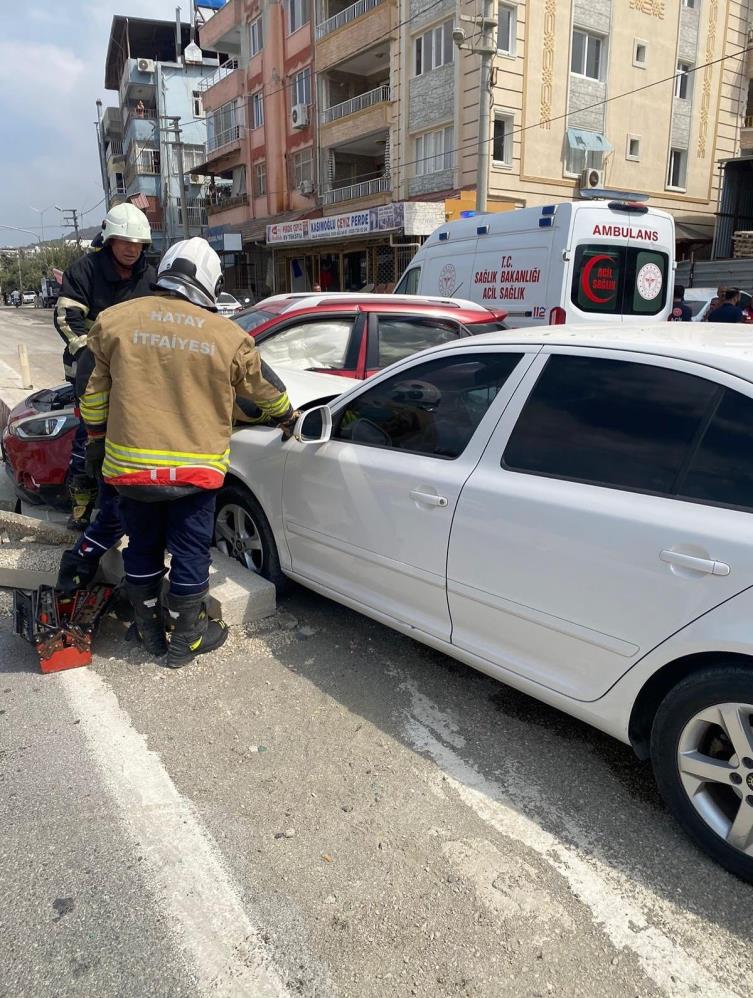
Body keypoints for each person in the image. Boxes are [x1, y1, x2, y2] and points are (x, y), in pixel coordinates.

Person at [78, 237, 299, 668]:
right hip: (194, 473)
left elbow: (93, 395)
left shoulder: (114, 321)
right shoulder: (228, 336)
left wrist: (96, 441)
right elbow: (267, 392)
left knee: (141, 545)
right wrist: (287, 417)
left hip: (131, 471)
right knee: (190, 551)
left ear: (165, 272)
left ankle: (148, 631)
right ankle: (187, 640)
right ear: (211, 284)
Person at [54, 203, 155, 594]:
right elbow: (67, 319)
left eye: (138, 243)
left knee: (127, 439)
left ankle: (120, 502)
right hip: (91, 372)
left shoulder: (148, 273)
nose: (131, 249)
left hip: (135, 376)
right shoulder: (84, 270)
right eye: (125, 242)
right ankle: (83, 508)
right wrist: (92, 354)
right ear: (109, 239)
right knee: (87, 442)